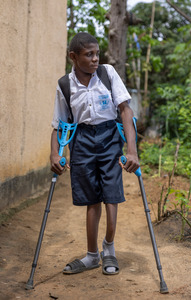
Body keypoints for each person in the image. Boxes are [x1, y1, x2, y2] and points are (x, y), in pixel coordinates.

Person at [50, 32, 139, 275]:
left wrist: (132, 150)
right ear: (73, 57)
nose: (95, 59)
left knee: (112, 195)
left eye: (97, 53)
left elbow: (126, 110)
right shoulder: (65, 85)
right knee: (91, 198)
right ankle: (92, 256)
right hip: (82, 140)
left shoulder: (107, 74)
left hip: (109, 137)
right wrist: (54, 155)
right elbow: (60, 123)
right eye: (89, 55)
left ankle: (108, 249)